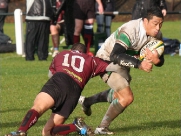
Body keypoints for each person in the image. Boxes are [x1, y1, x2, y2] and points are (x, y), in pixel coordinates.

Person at [79, 6, 165, 135]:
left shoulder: (157, 35)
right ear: (146, 21)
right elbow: (115, 55)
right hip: (106, 60)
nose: (158, 28)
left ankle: (87, 101)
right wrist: (140, 64)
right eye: (155, 24)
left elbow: (161, 60)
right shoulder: (130, 30)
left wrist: (156, 60)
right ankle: (102, 128)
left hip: (123, 63)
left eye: (160, 24)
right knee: (126, 97)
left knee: (118, 95)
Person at [5, 43, 114, 136]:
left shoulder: (62, 54)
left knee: (38, 107)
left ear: (71, 50)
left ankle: (21, 131)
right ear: (85, 53)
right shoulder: (92, 60)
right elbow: (111, 66)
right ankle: (76, 126)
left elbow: (50, 74)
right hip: (75, 92)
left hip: (59, 81)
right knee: (47, 132)